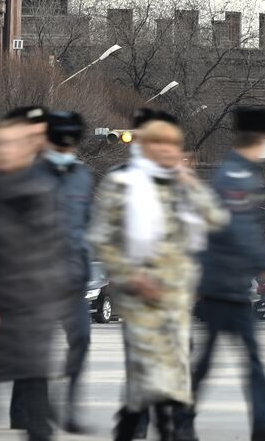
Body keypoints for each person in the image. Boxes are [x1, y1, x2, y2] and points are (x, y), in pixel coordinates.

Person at [90, 110, 226, 441]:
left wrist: (191, 183)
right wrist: (128, 275)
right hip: (138, 292)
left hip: (178, 293)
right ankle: (135, 423)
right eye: (160, 143)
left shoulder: (181, 182)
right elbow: (102, 238)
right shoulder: (121, 180)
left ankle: (181, 425)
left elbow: (216, 222)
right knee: (143, 363)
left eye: (173, 144)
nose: (168, 150)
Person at [0, 106, 66, 441]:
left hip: (30, 313)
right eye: (3, 144)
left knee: (36, 406)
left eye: (18, 143)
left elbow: (50, 250)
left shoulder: (41, 192)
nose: (11, 150)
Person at [185, 107, 265, 441]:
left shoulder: (239, 172)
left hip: (227, 284)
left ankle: (263, 423)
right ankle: (262, 423)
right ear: (261, 138)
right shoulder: (237, 176)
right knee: (237, 361)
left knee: (218, 361)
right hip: (223, 286)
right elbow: (237, 230)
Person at [9, 109, 94, 435]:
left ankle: (69, 404)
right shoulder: (27, 176)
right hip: (35, 279)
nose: (64, 150)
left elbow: (85, 224)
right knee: (35, 352)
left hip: (73, 278)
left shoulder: (83, 176)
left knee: (82, 340)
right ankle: (36, 418)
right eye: (59, 144)